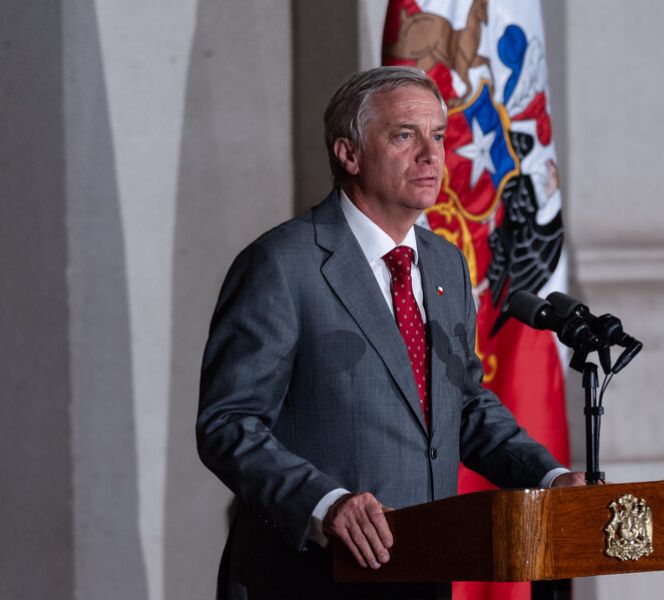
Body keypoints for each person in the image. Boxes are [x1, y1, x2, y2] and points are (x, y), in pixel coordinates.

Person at [197, 66, 585, 600]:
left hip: (422, 573)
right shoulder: (282, 265)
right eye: (405, 135)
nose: (431, 155)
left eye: (438, 136)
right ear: (349, 154)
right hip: (310, 579)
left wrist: (550, 478)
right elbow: (227, 423)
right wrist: (325, 503)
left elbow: (464, 405)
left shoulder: (446, 263)